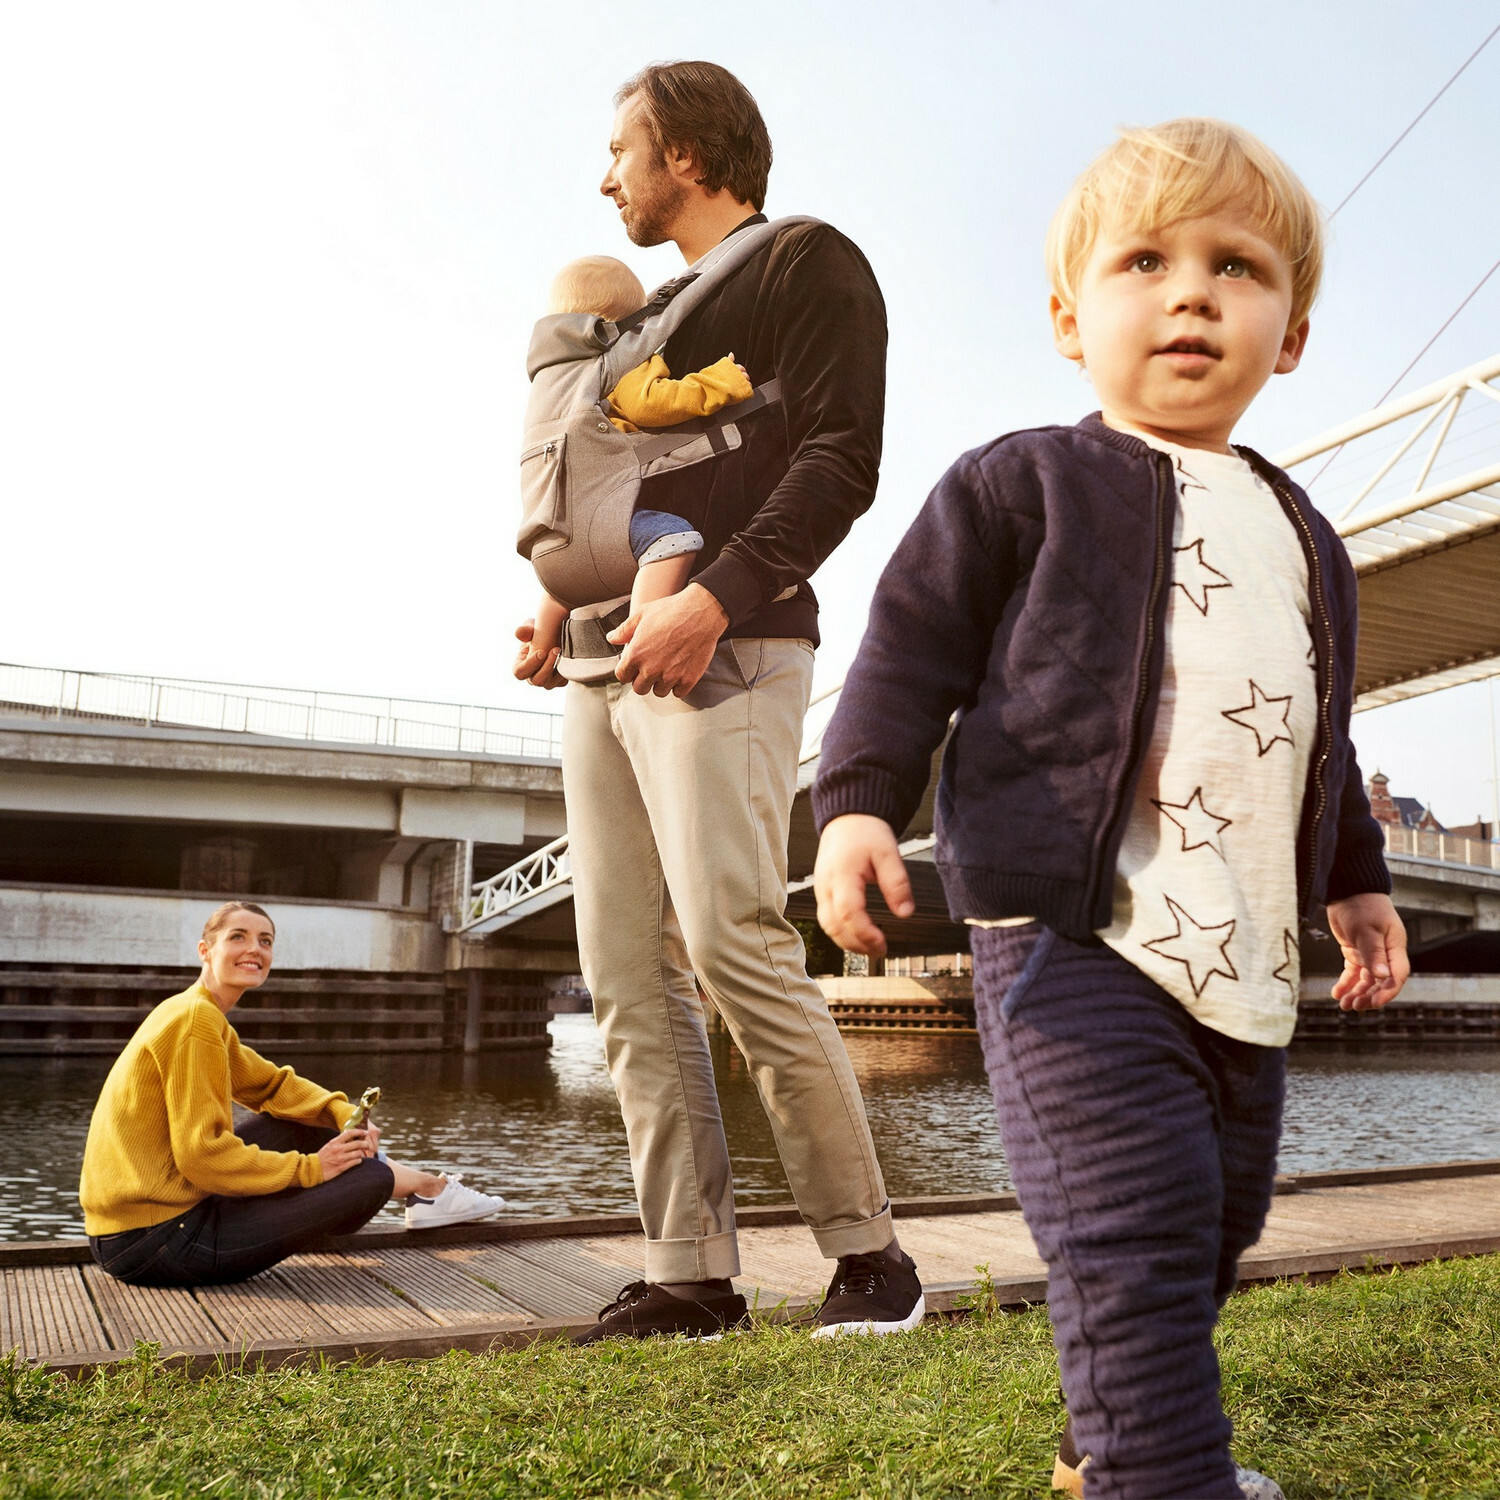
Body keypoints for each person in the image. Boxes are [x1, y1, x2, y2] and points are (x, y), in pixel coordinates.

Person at [812, 119, 1409, 1499]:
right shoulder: (1023, 483)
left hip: (1244, 960)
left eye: (1238, 268)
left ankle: (1108, 1434)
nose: (1194, 292)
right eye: (1148, 260)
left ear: (1294, 335)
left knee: (1214, 1219)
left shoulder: (1305, 531)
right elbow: (908, 651)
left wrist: (1357, 874)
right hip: (1074, 942)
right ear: (1073, 319)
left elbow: (1324, 725)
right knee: (1131, 1226)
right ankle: (1160, 1469)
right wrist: (855, 803)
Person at [514, 60, 923, 1342]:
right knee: (626, 976)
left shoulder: (806, 261)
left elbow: (840, 456)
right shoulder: (638, 325)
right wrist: (559, 598)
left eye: (621, 150)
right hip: (599, 657)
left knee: (737, 941)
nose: (605, 177)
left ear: (686, 151)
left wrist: (716, 597)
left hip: (728, 647)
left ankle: (872, 1262)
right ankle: (693, 1270)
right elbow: (615, 481)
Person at [79, 901, 504, 1288]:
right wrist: (311, 1170)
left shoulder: (194, 1012)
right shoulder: (195, 1023)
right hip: (157, 1242)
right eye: (238, 937)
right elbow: (202, 1156)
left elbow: (273, 1086)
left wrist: (343, 1113)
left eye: (265, 940)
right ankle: (429, 1189)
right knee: (373, 1177)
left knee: (311, 1124)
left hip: (137, 1229)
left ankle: (427, 1191)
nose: (255, 949)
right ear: (205, 950)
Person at [516, 253, 754, 686]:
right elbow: (652, 402)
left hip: (551, 547)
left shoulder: (551, 380)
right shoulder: (613, 362)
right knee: (675, 540)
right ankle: (643, 629)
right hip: (604, 527)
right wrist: (719, 381)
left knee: (563, 585)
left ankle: (541, 646)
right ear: (617, 325)